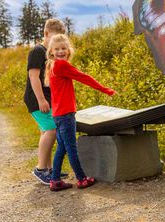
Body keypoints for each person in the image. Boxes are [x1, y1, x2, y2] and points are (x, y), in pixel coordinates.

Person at [44, 34, 116, 191]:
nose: (61, 51)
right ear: (51, 51)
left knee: (62, 148)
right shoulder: (61, 66)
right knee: (71, 148)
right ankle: (82, 179)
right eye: (57, 49)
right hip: (65, 114)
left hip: (57, 115)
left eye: (63, 48)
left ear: (68, 50)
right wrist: (106, 90)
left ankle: (55, 180)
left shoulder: (53, 66)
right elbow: (84, 78)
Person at [24, 18, 68, 185]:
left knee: (47, 131)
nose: (57, 42)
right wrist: (41, 99)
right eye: (55, 37)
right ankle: (41, 169)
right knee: (51, 129)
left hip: (48, 99)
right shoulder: (38, 51)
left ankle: (50, 170)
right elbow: (33, 76)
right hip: (36, 99)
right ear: (46, 34)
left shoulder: (50, 53)